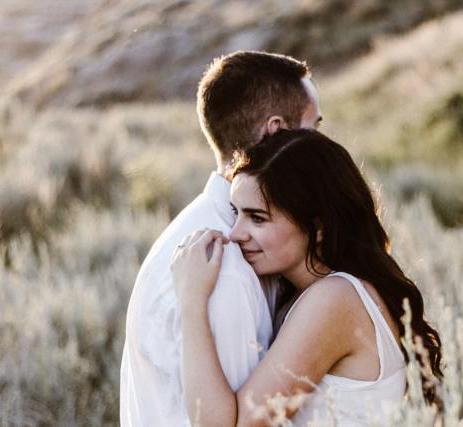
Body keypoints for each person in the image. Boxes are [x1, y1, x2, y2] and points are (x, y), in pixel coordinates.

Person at [171, 129, 444, 426]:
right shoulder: (330, 292)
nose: (236, 233)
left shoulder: (335, 300)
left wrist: (192, 300)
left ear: (319, 226)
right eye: (236, 212)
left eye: (258, 218)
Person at [119, 51, 322, 427]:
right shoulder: (222, 265)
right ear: (275, 131)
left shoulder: (239, 241)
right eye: (314, 129)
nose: (323, 146)